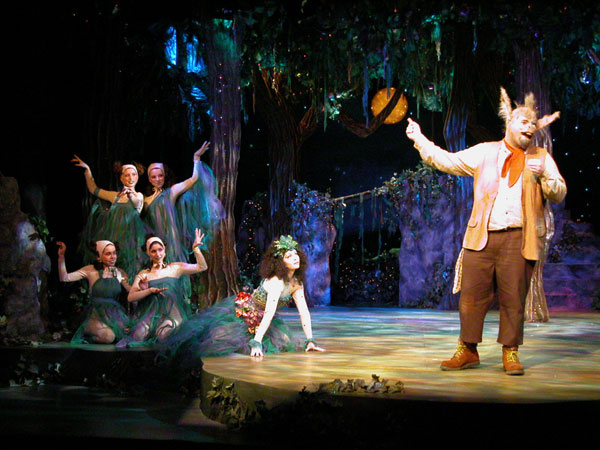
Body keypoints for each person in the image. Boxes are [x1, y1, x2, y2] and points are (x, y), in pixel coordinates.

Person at [405, 87, 566, 375]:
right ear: (510, 122)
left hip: (519, 238)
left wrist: (544, 178)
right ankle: (468, 350)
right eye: (524, 121)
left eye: (533, 123)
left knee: (513, 298)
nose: (529, 127)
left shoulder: (541, 157)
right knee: (471, 297)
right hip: (481, 237)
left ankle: (510, 352)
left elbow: (559, 191)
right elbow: (447, 161)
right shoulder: (485, 152)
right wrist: (419, 139)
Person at [159, 235, 325, 368]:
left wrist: (310, 339)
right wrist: (256, 342)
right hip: (246, 315)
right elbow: (268, 313)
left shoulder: (296, 283)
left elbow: (304, 312)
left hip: (265, 319)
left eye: (295, 254)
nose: (295, 257)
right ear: (280, 262)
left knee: (284, 343)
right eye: (289, 256)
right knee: (221, 342)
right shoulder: (276, 283)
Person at [143, 141, 217, 298]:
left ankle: (177, 302)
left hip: (172, 241)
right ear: (149, 179)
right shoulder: (146, 200)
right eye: (153, 177)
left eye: (160, 175)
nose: (157, 179)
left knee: (174, 273)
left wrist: (196, 158)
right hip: (155, 242)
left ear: (165, 176)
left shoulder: (171, 192)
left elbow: (193, 179)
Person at [121, 228, 208, 346]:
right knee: (138, 335)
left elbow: (202, 267)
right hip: (151, 316)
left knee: (163, 335)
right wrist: (149, 290)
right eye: (153, 251)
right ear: (148, 253)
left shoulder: (175, 268)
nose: (158, 254)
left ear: (164, 250)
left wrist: (196, 249)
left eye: (160, 250)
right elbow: (131, 297)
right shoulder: (144, 274)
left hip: (172, 315)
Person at [72, 155, 148, 282]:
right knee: (111, 271)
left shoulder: (138, 195)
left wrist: (130, 194)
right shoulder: (115, 196)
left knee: (128, 273)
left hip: (130, 242)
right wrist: (87, 170)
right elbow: (94, 189)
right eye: (127, 175)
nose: (131, 178)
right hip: (114, 240)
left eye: (134, 175)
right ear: (121, 178)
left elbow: (136, 203)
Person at [57, 240, 130, 344]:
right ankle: (86, 336)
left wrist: (143, 285)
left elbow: (131, 291)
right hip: (95, 315)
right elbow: (65, 278)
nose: (113, 257)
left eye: (114, 253)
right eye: (108, 254)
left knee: (127, 334)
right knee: (108, 337)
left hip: (114, 314)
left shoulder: (119, 272)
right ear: (99, 257)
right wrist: (61, 257)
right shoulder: (91, 270)